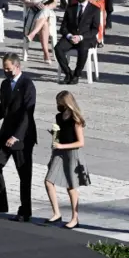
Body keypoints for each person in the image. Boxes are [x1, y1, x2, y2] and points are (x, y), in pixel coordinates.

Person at [0, 53, 37, 222]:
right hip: (6, 131)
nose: (6, 72)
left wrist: (17, 137)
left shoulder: (27, 85)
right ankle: (1, 204)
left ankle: (25, 210)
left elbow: (27, 114)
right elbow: (3, 107)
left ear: (17, 66)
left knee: (24, 174)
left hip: (22, 135)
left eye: (8, 68)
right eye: (4, 69)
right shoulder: (5, 84)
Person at [45, 91, 91, 229]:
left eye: (59, 102)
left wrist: (61, 145)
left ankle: (75, 218)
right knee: (48, 181)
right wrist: (55, 137)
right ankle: (56, 213)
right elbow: (61, 134)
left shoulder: (75, 119)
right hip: (59, 152)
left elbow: (80, 142)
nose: (58, 104)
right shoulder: (59, 117)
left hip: (72, 153)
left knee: (71, 186)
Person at [55, 0, 100, 84]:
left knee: (83, 49)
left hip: (85, 38)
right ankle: (68, 73)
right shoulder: (71, 8)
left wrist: (80, 37)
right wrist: (70, 36)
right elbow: (63, 27)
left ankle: (77, 74)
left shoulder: (95, 9)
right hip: (71, 37)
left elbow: (95, 29)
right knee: (58, 48)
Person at [23, 0, 57, 64]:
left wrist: (46, 7)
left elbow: (54, 3)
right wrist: (35, 4)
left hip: (48, 14)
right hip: (34, 14)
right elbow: (26, 2)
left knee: (45, 11)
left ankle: (32, 34)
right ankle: (46, 53)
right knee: (44, 24)